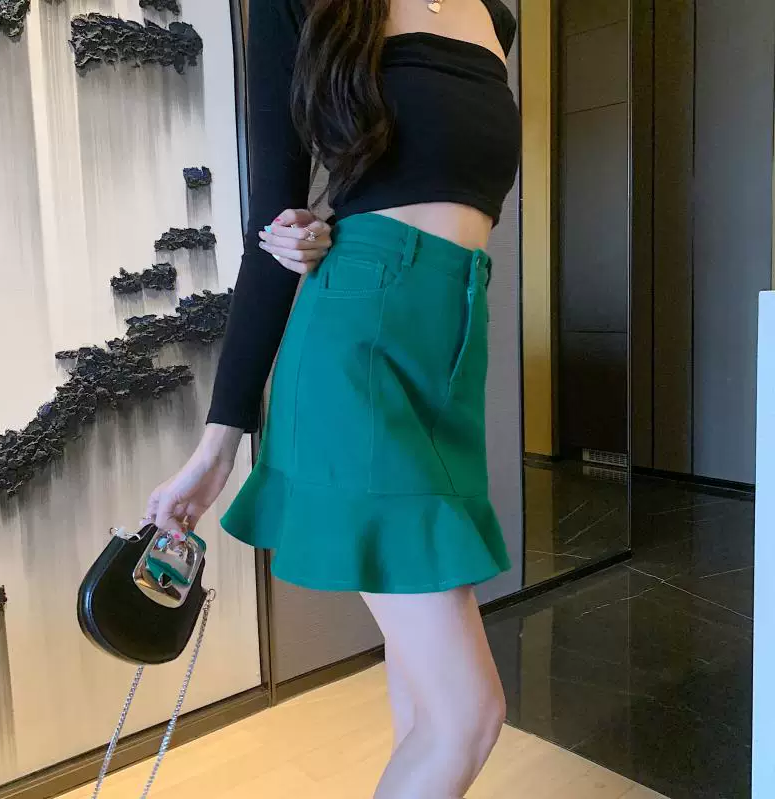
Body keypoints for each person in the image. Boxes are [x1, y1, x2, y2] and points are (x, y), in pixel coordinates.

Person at [145, 0, 520, 795]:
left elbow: (444, 168)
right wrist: (217, 448)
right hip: (356, 348)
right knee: (469, 714)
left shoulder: (495, 16)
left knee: (425, 702)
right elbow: (270, 233)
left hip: (453, 350)